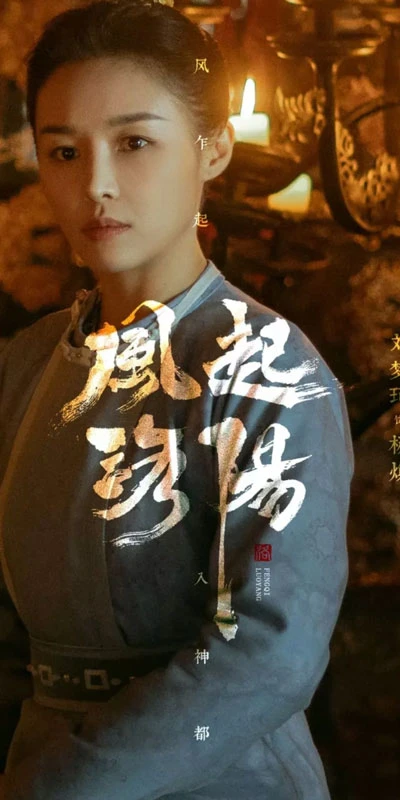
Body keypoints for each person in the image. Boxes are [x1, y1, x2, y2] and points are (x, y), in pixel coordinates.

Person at [0, 1, 354, 798]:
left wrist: (67, 786)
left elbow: (269, 649)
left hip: (222, 775)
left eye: (134, 143)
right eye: (64, 151)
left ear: (213, 148)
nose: (95, 184)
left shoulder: (271, 372)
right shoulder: (26, 365)